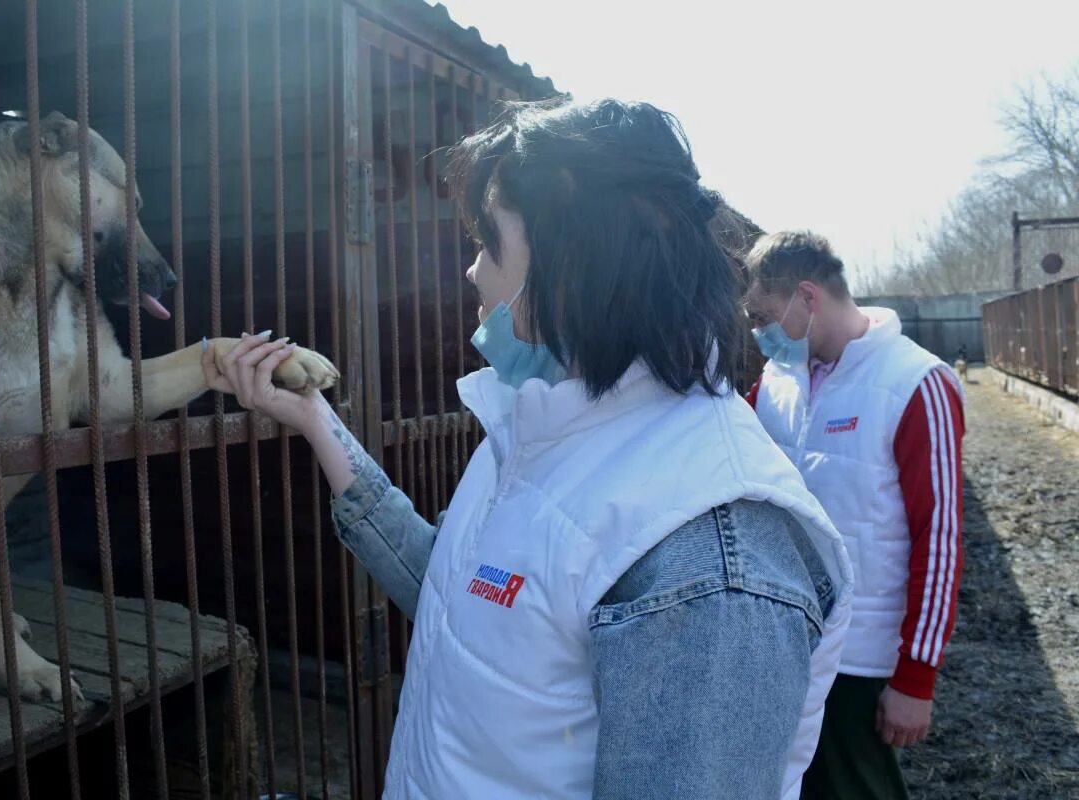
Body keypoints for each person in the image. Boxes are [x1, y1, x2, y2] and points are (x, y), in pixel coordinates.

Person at [204, 99, 853, 800]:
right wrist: (312, 417)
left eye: (489, 242)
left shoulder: (710, 546)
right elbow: (468, 611)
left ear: (576, 260)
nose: (472, 272)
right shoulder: (544, 424)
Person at [742, 231, 965, 800]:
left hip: (859, 659)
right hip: (786, 643)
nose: (761, 334)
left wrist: (916, 677)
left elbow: (938, 540)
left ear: (808, 297)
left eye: (766, 316)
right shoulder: (775, 385)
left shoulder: (917, 383)